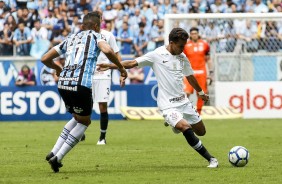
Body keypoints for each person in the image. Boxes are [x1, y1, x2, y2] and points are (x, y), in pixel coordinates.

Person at [97, 28, 218, 168]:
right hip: (167, 104)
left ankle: (176, 124)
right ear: (171, 43)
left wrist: (201, 92)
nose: (183, 49)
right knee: (185, 127)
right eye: (180, 46)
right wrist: (111, 66)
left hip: (183, 102)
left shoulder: (182, 57)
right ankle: (211, 159)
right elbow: (131, 63)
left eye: (184, 45)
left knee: (201, 132)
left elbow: (190, 76)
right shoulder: (157, 55)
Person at [41, 11, 127, 173]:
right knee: (85, 121)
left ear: (82, 26)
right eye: (100, 25)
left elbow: (45, 58)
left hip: (63, 83)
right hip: (81, 84)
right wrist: (121, 68)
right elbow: (108, 50)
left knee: (77, 117)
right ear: (96, 26)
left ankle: (53, 151)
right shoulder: (96, 36)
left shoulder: (70, 38)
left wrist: (58, 68)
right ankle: (57, 158)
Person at [92, 10, 122, 145]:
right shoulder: (85, 36)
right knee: (82, 105)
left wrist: (122, 72)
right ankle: (78, 132)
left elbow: (116, 54)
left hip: (103, 73)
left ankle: (102, 137)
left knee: (102, 106)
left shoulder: (108, 35)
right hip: (87, 73)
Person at [183, 27, 213, 115]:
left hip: (201, 72)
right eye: (192, 34)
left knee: (201, 93)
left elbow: (208, 59)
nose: (194, 35)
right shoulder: (186, 46)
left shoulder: (204, 44)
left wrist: (211, 72)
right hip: (189, 73)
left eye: (195, 33)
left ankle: (198, 113)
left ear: (198, 34)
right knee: (187, 93)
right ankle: (185, 112)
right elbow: (182, 60)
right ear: (190, 35)